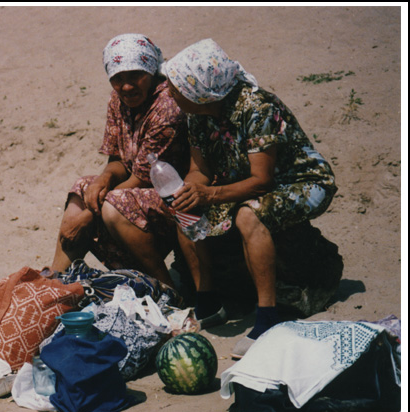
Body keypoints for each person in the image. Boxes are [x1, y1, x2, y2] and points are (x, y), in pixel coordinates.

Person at [161, 39, 337, 358]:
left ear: (199, 90)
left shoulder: (257, 108)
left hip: (302, 182)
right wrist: (188, 192)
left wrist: (209, 193)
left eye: (176, 88)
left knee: (248, 215)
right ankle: (208, 300)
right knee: (185, 209)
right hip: (244, 183)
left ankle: (267, 318)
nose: (170, 93)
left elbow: (262, 181)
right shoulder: (198, 114)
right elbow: (198, 171)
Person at [45, 33, 189, 291]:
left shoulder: (167, 107)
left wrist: (89, 216)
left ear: (150, 70)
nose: (126, 87)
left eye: (135, 76)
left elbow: (145, 176)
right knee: (83, 187)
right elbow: (118, 160)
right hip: (140, 188)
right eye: (118, 79)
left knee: (112, 204)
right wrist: (104, 179)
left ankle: (165, 288)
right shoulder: (118, 100)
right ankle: (56, 280)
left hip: (175, 196)